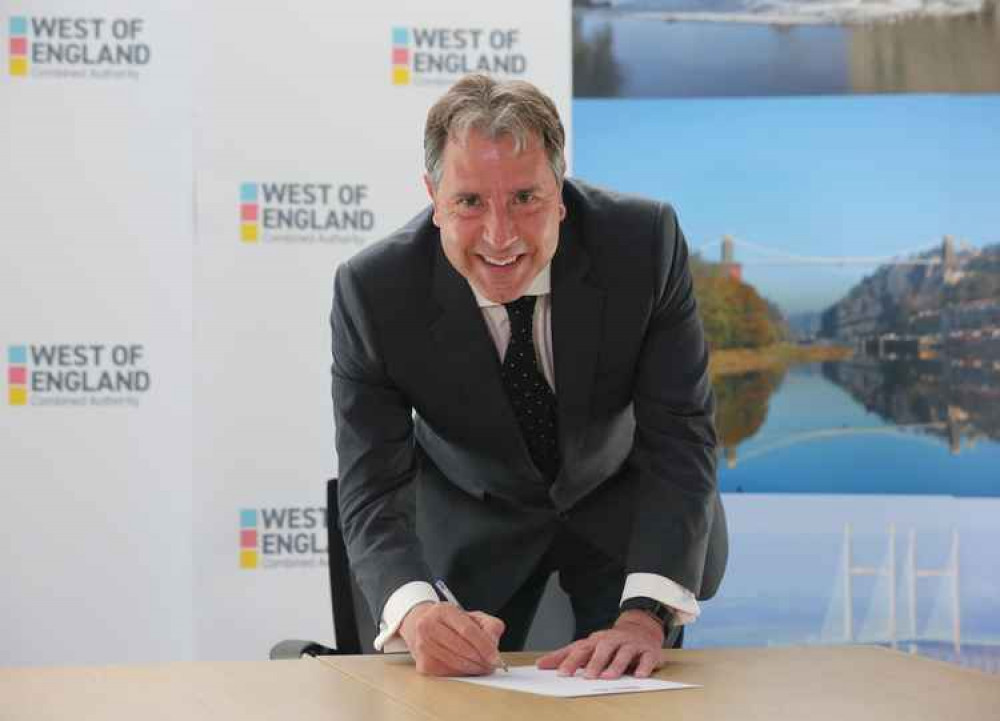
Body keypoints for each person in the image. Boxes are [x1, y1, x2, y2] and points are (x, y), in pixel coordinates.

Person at [331, 73, 727, 679]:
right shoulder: (375, 292)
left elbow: (680, 432)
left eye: (525, 198)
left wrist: (647, 614)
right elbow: (372, 487)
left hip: (629, 513)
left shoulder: (642, 245)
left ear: (561, 193)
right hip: (472, 526)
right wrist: (415, 611)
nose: (500, 236)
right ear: (433, 197)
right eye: (469, 202)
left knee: (636, 694)